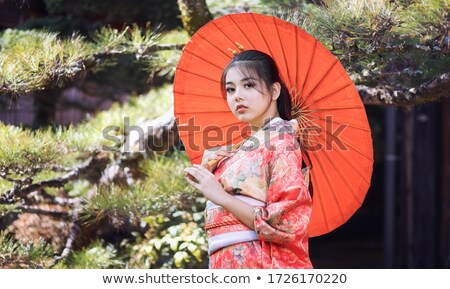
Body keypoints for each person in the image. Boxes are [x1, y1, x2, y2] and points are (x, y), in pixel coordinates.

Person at [183, 50, 313, 269]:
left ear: (274, 91)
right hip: (226, 258)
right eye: (231, 89)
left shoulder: (282, 141)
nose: (237, 96)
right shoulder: (241, 147)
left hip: (257, 258)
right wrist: (206, 172)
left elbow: (286, 223)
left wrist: (221, 196)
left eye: (249, 85)